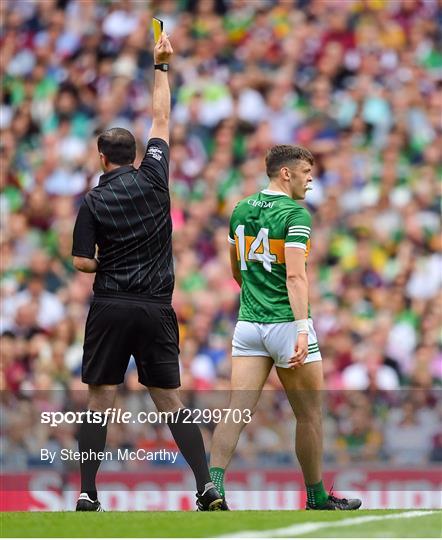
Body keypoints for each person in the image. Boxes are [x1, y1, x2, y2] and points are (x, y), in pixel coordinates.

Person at [71, 32, 222, 512]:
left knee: (100, 400)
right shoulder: (155, 176)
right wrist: (160, 66)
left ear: (101, 158)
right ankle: (205, 487)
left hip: (111, 305)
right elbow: (162, 116)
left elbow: (80, 262)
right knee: (171, 402)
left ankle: (88, 492)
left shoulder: (93, 201)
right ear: (135, 154)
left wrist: (106, 262)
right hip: (156, 308)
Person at [209, 145, 362, 510]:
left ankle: (211, 488)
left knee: (236, 411)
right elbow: (295, 276)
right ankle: (316, 497)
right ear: (286, 174)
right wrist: (302, 330)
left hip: (248, 324)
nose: (311, 179)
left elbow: (236, 271)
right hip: (286, 325)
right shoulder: (296, 214)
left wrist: (257, 299)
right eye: (307, 172)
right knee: (309, 415)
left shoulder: (240, 208)